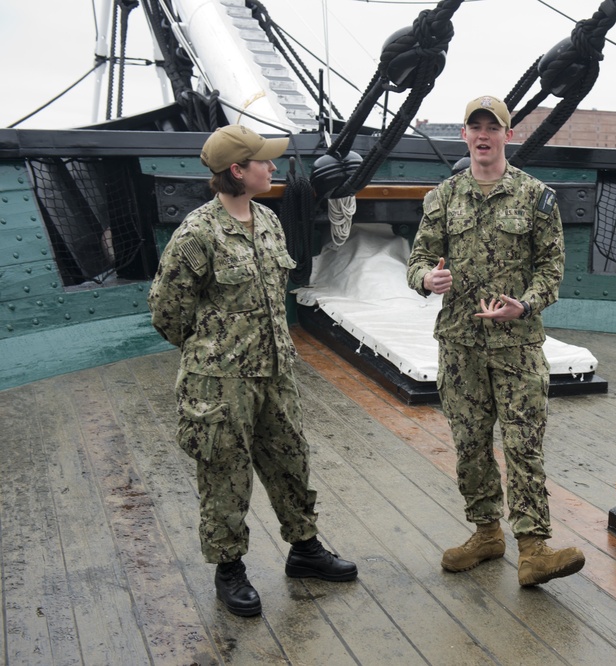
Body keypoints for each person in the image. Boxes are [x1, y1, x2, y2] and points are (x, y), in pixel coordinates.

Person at [147, 124, 357, 617]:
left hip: (275, 372)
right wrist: (213, 352)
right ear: (237, 171)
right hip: (221, 383)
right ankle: (229, 569)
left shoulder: (268, 221)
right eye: (262, 160)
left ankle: (305, 550)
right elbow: (167, 311)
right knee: (225, 475)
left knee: (290, 461)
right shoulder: (197, 234)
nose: (273, 166)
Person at [406, 95, 585, 586]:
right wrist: (427, 280)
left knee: (524, 441)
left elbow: (552, 269)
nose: (483, 135)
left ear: (508, 135)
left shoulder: (536, 197)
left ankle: (534, 549)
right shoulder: (442, 197)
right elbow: (418, 260)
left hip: (517, 344)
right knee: (469, 442)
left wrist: (524, 304)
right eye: (474, 126)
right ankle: (486, 533)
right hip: (460, 344)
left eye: (493, 127)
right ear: (464, 135)